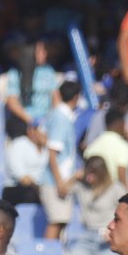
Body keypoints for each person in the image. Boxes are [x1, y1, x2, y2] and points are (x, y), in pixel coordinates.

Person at [39, 81, 82, 239]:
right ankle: (48, 253)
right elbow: (52, 152)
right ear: (76, 97)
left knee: (61, 223)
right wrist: (59, 183)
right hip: (55, 181)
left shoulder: (57, 114)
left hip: (60, 179)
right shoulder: (61, 118)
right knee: (56, 222)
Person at [4, 40, 60, 139]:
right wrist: (31, 120)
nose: (45, 54)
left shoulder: (49, 71)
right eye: (40, 52)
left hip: (46, 119)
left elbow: (56, 99)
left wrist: (50, 118)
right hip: (24, 120)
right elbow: (12, 102)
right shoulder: (15, 73)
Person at [83, 108, 128, 189]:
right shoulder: (122, 145)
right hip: (112, 190)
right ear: (120, 124)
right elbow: (121, 173)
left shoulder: (94, 144)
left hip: (93, 190)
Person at [3, 120, 48, 205]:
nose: (46, 135)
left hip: (40, 189)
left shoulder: (47, 149)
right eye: (43, 132)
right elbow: (23, 178)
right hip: (17, 189)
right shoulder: (19, 144)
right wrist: (42, 191)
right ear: (31, 131)